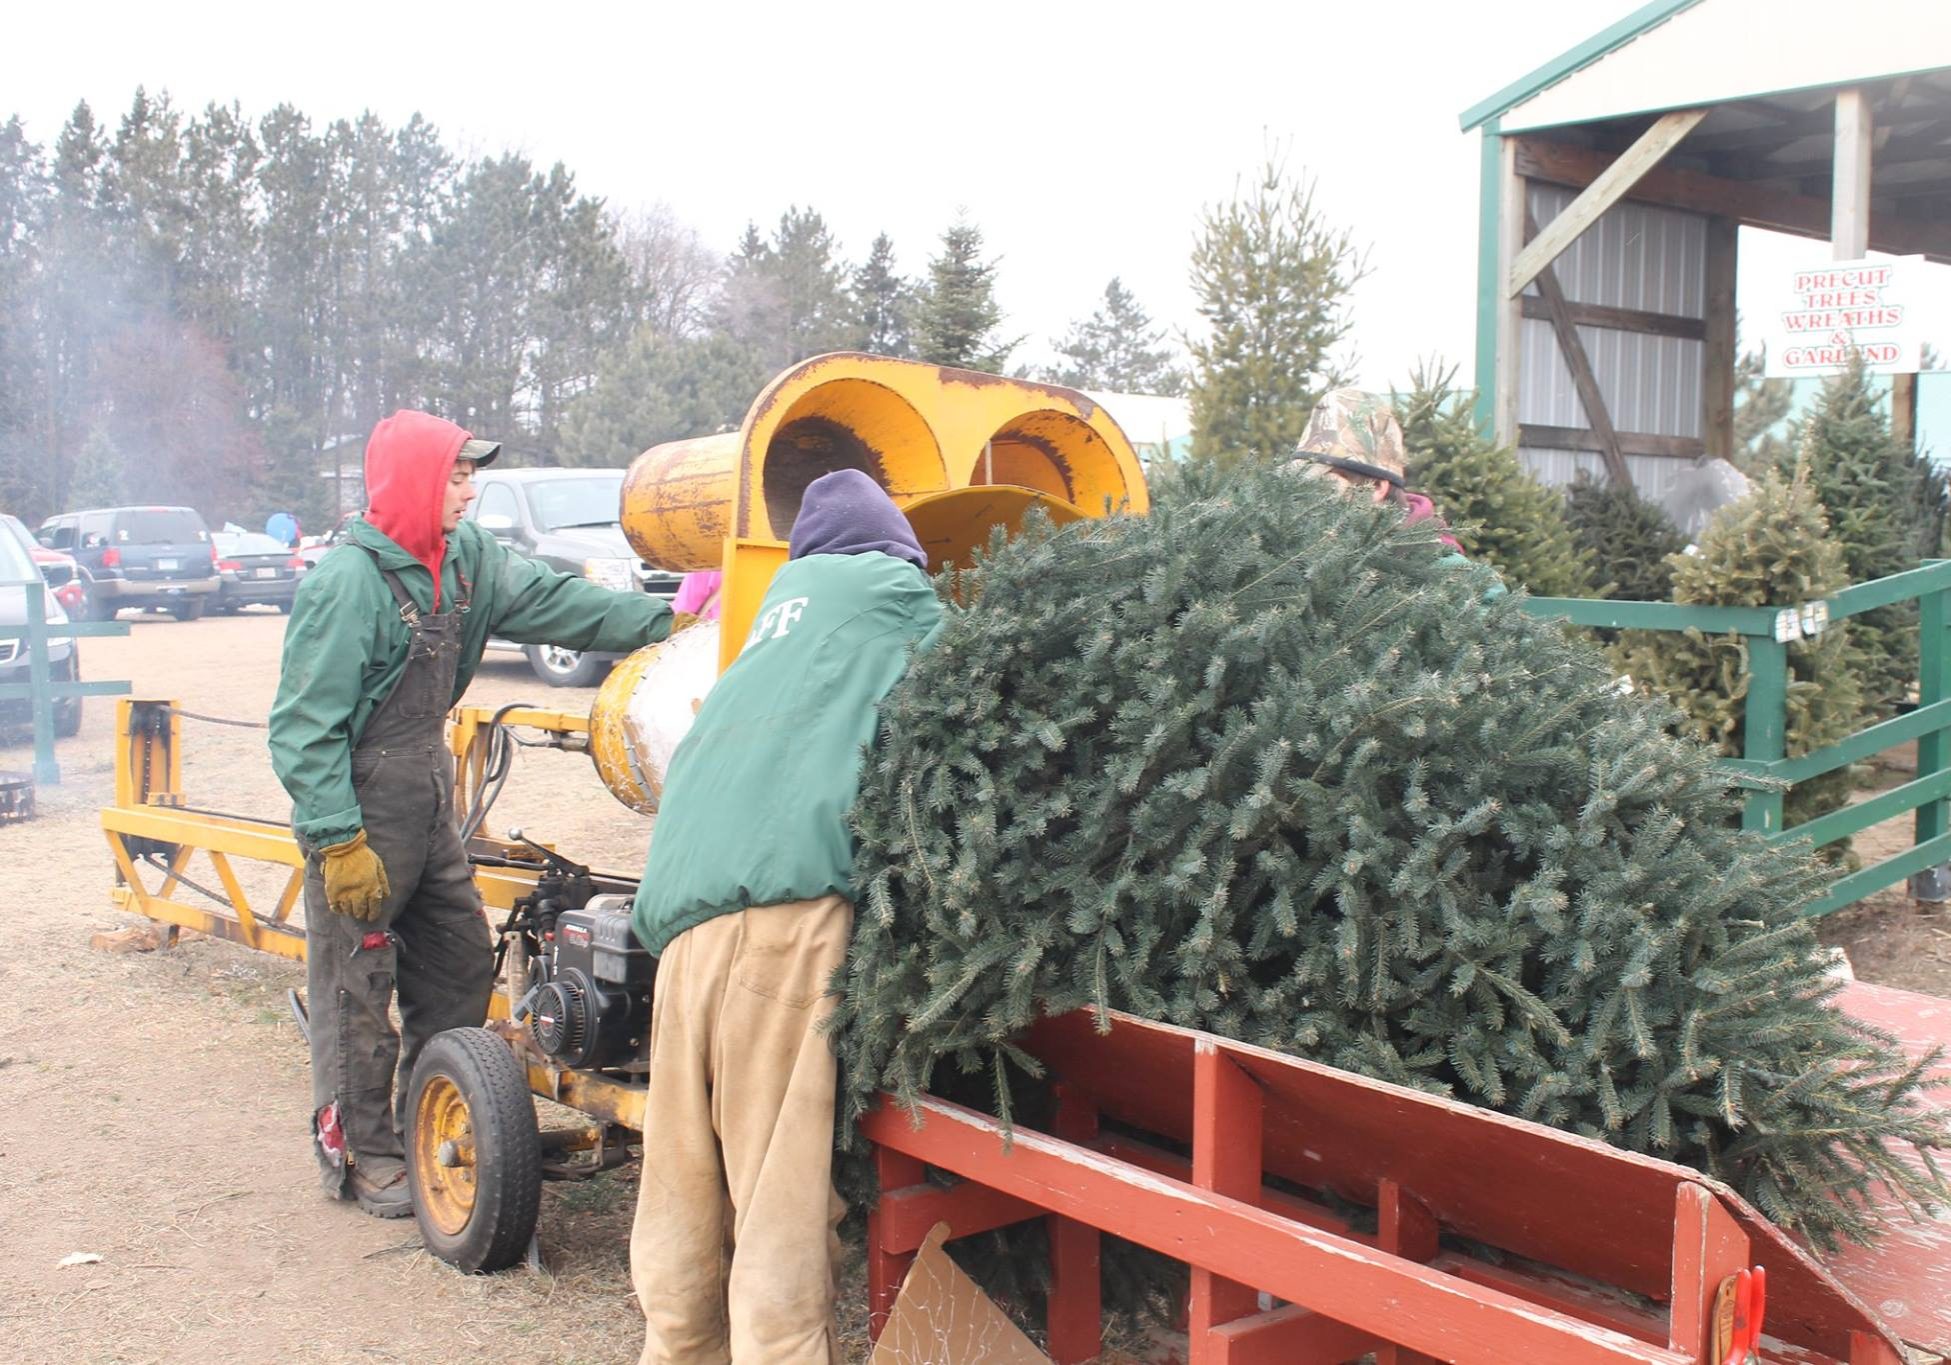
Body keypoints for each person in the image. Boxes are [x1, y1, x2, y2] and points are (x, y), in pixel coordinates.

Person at [269, 409, 684, 1218]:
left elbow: (565, 605)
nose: (470, 489)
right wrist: (337, 838)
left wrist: (674, 624)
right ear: (414, 484)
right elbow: (303, 726)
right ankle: (360, 1155)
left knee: (458, 962)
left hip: (426, 794)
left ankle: (426, 1112)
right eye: (456, 476)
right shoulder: (345, 583)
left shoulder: (467, 560)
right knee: (355, 989)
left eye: (470, 475)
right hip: (358, 809)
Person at [628, 468, 943, 1364]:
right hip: (788, 923)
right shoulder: (895, 596)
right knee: (778, 1193)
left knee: (683, 1183)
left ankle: (676, 1347)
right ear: (894, 551)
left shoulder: (766, 628)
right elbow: (986, 682)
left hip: (682, 929)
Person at [1287, 388, 1504, 596]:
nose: (1308, 495)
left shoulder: (1461, 579)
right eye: (1303, 480)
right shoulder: (1290, 564)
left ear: (1376, 488)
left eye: (1324, 482)